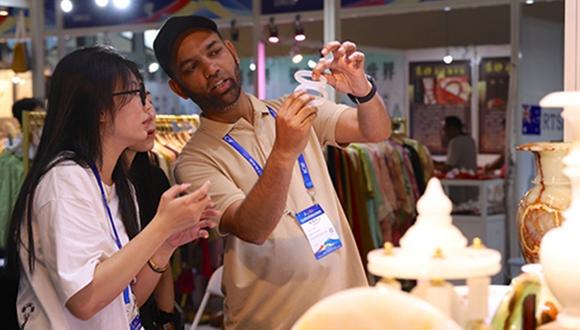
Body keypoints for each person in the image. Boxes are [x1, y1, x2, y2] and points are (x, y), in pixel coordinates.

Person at [153, 15, 391, 329]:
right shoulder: (193, 161)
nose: (211, 69)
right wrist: (283, 152)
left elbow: (374, 130)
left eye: (213, 52)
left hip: (344, 307)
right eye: (191, 68)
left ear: (231, 51)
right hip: (270, 320)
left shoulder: (289, 109)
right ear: (178, 88)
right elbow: (251, 227)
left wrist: (361, 88)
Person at [6, 45, 218, 329]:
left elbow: (128, 300)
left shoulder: (120, 185)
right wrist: (162, 226)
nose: (148, 107)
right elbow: (86, 300)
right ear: (99, 110)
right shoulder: (64, 180)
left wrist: (165, 245)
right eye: (134, 94)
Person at [127, 94, 182, 329]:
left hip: (144, 313)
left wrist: (166, 317)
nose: (150, 114)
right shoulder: (77, 185)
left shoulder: (152, 178)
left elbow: (162, 258)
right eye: (140, 104)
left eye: (150, 102)